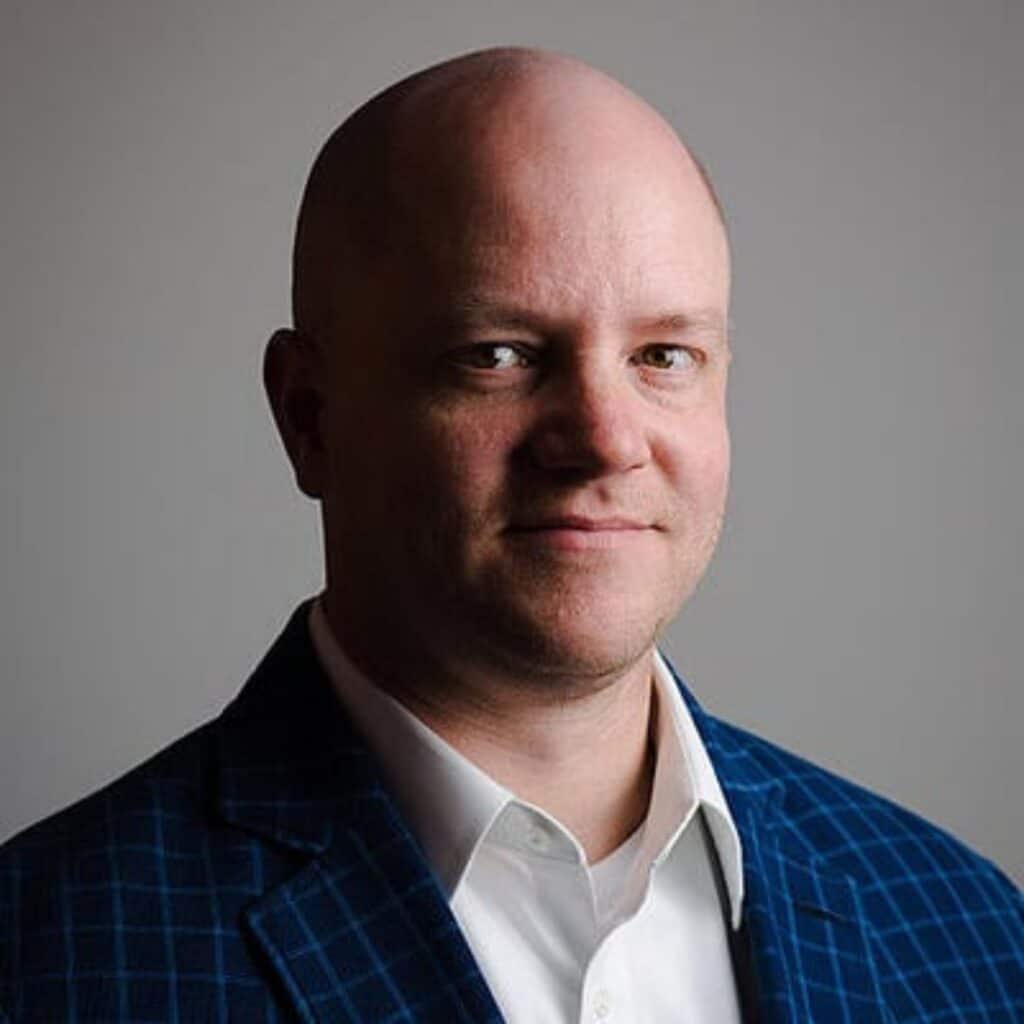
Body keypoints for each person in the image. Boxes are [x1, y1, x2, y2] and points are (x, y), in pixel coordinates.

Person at [0, 46, 1020, 1024]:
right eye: (498, 354)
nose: (605, 439)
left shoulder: (969, 930)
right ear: (309, 417)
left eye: (663, 355)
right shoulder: (44, 960)